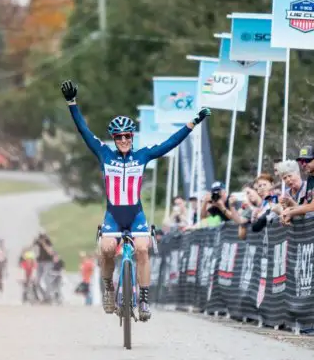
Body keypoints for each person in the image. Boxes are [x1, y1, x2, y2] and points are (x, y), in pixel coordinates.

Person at [60, 79, 210, 321]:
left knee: (142, 249)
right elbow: (84, 131)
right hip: (114, 215)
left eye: (127, 136)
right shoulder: (104, 154)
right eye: (119, 137)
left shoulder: (142, 156)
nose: (123, 140)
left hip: (135, 214)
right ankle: (109, 288)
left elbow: (170, 143)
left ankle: (143, 299)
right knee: (107, 249)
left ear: (132, 137)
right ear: (114, 138)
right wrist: (72, 103)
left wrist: (193, 122)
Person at [280, 146, 314, 225]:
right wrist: (289, 210)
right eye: (301, 161)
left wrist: (291, 213)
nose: (304, 164)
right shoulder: (310, 177)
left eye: (307, 160)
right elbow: (305, 205)